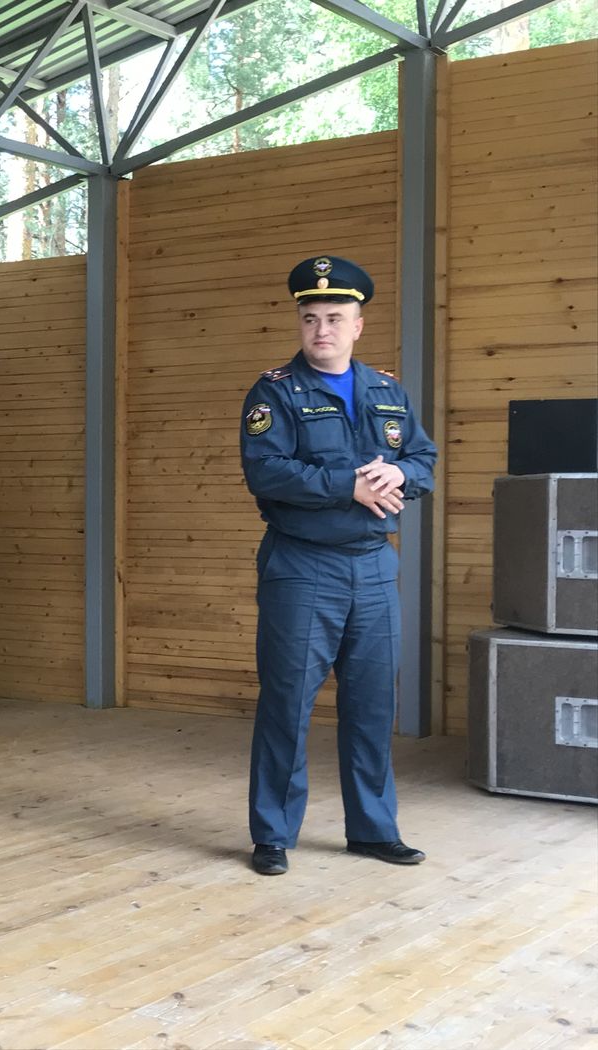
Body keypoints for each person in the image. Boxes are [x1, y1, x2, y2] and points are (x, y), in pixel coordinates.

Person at [239, 255, 438, 877]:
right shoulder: (276, 391)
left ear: (358, 325)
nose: (320, 329)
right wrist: (345, 485)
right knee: (287, 704)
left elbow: (424, 459)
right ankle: (273, 835)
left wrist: (400, 472)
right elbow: (266, 471)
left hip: (374, 566)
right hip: (303, 567)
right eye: (310, 318)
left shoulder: (387, 391)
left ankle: (373, 831)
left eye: (333, 318)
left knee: (373, 705)